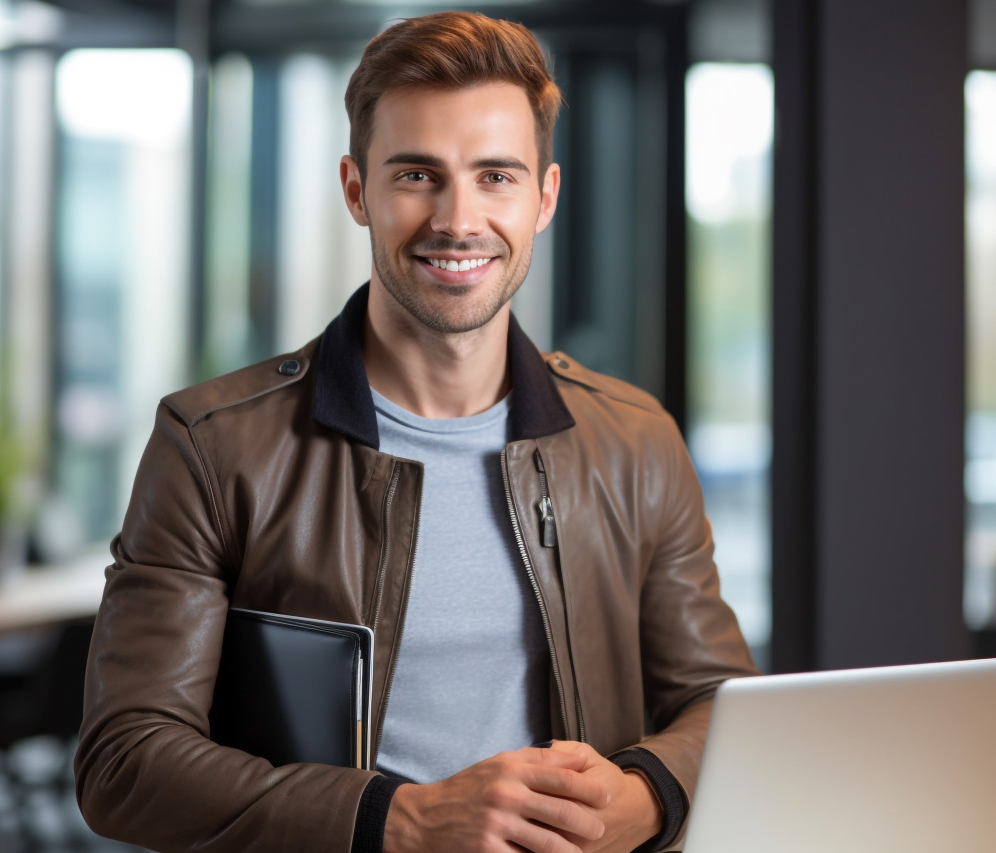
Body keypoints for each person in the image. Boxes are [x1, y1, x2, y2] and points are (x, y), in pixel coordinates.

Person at [74, 10, 756, 853]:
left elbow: (723, 705)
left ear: (544, 197)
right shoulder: (212, 446)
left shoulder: (635, 440)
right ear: (357, 189)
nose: (457, 219)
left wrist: (647, 796)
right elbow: (125, 760)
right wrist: (399, 819)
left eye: (496, 177)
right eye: (416, 175)